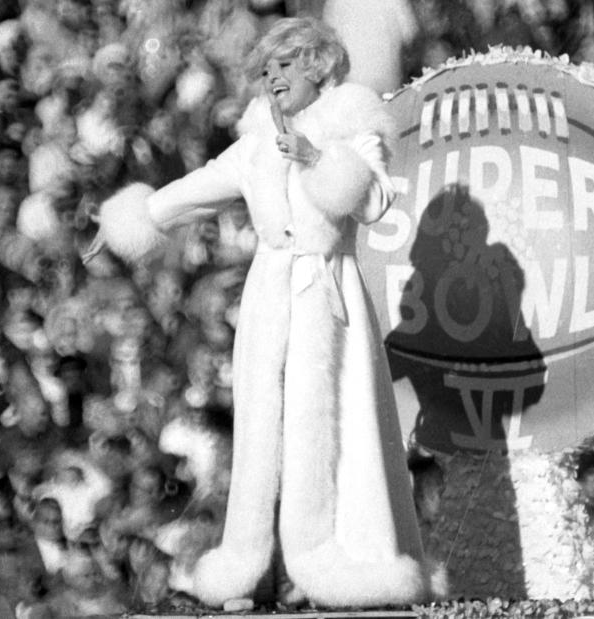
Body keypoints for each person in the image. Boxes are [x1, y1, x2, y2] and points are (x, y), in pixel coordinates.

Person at [85, 16, 436, 608]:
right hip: (271, 299)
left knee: (338, 431)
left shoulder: (355, 126)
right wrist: (131, 220)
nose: (272, 78)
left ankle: (346, 566)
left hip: (332, 299)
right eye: (267, 68)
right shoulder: (255, 144)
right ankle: (262, 566)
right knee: (262, 434)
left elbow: (374, 203)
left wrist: (317, 157)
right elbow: (200, 186)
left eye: (284, 65)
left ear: (319, 67)